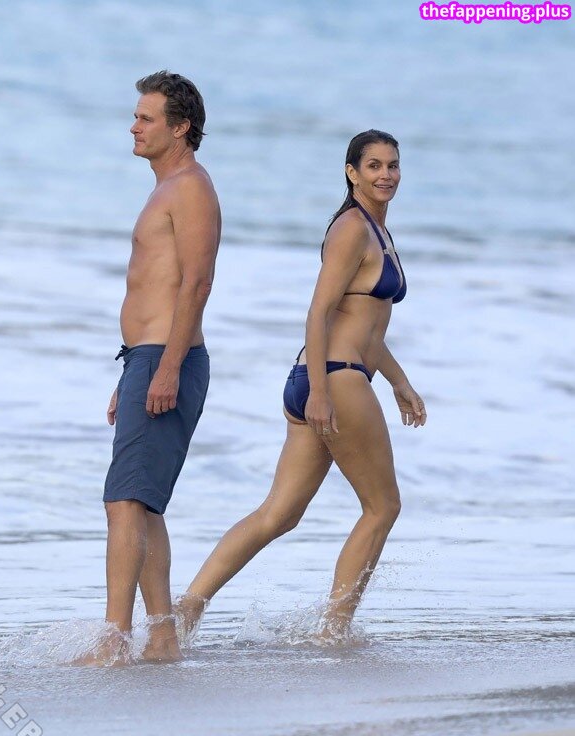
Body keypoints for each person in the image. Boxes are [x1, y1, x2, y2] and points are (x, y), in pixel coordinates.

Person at [176, 130, 426, 644]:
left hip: (324, 375)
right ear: (351, 173)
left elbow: (365, 327)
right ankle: (333, 630)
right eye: (374, 166)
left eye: (393, 165)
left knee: (279, 514)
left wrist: (399, 382)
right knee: (383, 507)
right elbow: (318, 312)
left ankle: (185, 611)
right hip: (333, 379)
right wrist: (319, 392)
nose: (386, 175)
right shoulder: (351, 230)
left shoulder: (377, 230)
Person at [77, 71, 221, 666]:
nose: (133, 127)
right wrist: (135, 369)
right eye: (136, 116)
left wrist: (166, 368)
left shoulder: (191, 188)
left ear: (180, 127)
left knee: (124, 502)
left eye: (146, 118)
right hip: (149, 357)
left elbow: (197, 283)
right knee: (144, 502)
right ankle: (161, 638)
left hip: (167, 358)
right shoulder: (167, 188)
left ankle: (113, 641)